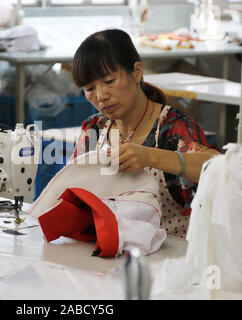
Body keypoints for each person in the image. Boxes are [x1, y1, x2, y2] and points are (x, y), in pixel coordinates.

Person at [71, 29, 219, 238]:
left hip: (170, 257)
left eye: (110, 81)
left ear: (137, 71)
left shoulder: (172, 128)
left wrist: (149, 156)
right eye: (90, 88)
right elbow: (72, 189)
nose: (101, 96)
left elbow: (218, 167)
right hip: (111, 249)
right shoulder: (94, 129)